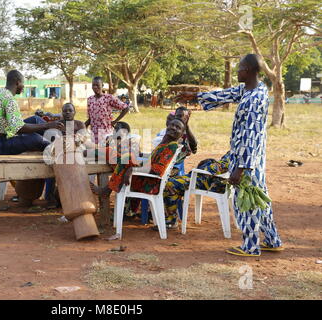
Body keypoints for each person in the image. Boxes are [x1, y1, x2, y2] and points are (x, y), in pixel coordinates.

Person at [177, 53, 283, 256]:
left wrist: (241, 168)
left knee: (246, 201)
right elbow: (226, 94)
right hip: (255, 158)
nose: (237, 71)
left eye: (241, 68)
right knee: (260, 198)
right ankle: (273, 240)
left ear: (250, 71)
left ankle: (251, 247)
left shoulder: (253, 100)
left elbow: (250, 136)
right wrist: (195, 96)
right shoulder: (253, 89)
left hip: (248, 159)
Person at [91, 119, 187, 206]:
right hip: (143, 178)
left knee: (125, 157)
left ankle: (106, 190)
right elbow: (149, 162)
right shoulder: (165, 143)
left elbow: (157, 170)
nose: (174, 128)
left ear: (182, 134)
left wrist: (133, 169)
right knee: (118, 155)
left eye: (178, 127)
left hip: (148, 184)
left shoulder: (171, 146)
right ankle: (91, 152)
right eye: (172, 125)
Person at [0, 70, 64, 155]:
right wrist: (47, 125)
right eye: (23, 83)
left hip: (3, 134)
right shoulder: (9, 99)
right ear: (18, 83)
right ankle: (58, 149)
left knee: (35, 119)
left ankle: (61, 138)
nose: (23, 86)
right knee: (35, 139)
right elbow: (19, 129)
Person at [163, 152, 231, 228]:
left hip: (208, 183)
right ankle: (172, 216)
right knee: (172, 181)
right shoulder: (235, 152)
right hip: (205, 179)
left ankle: (171, 220)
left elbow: (217, 168)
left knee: (170, 184)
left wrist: (207, 164)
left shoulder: (236, 154)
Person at [84, 76, 129, 145]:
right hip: (94, 135)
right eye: (93, 85)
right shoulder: (90, 99)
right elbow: (90, 118)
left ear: (102, 85)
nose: (95, 87)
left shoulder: (108, 98)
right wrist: (82, 127)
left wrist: (115, 121)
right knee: (96, 154)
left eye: (97, 85)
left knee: (107, 153)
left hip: (107, 134)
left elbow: (125, 108)